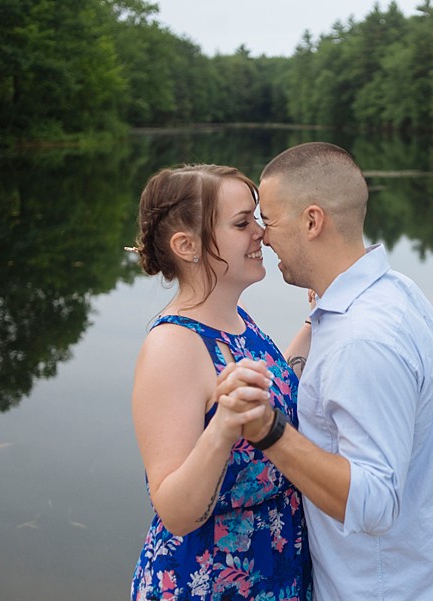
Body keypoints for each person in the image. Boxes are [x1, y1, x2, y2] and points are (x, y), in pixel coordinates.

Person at [224, 142, 433, 600]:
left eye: (270, 220)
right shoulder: (396, 293)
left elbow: (374, 503)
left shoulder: (361, 339)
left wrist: (271, 433)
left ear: (312, 221)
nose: (262, 235)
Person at [127, 164, 313, 601]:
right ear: (186, 245)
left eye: (257, 220)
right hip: (209, 582)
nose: (262, 234)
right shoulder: (173, 346)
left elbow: (266, 392)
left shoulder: (235, 320)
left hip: (276, 569)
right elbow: (174, 510)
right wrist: (223, 428)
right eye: (241, 222)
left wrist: (314, 323)